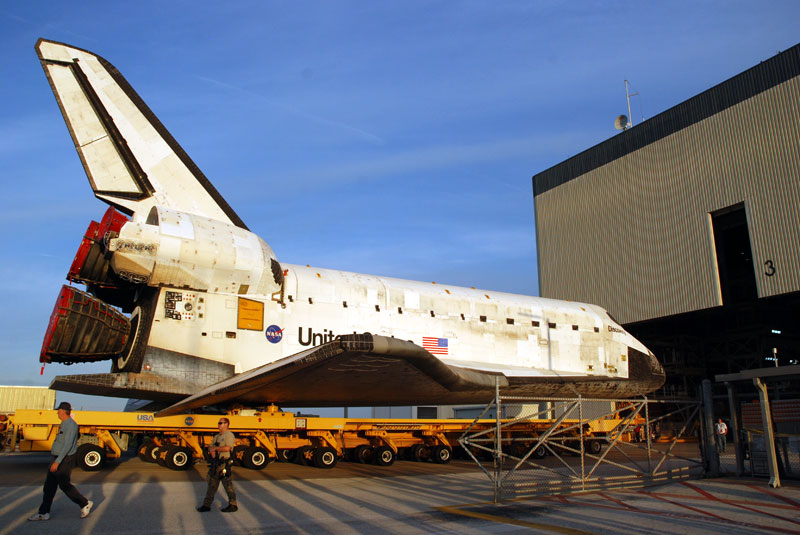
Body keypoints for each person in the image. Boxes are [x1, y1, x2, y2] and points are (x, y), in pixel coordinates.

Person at [28, 402, 93, 521]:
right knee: (49, 487)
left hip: (64, 459)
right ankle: (43, 513)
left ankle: (84, 503)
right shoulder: (64, 424)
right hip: (58, 458)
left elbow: (68, 445)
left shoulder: (71, 425)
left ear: (63, 411)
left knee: (64, 485)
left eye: (59, 410)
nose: (57, 412)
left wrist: (57, 462)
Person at [197, 417, 237, 513]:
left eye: (220, 423)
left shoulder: (229, 435)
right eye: (218, 423)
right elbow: (211, 447)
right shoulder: (217, 436)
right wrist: (213, 450)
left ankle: (233, 504)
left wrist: (215, 449)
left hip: (224, 463)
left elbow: (227, 448)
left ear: (226, 424)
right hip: (216, 463)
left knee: (227, 484)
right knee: (212, 484)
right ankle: (207, 505)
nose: (218, 425)